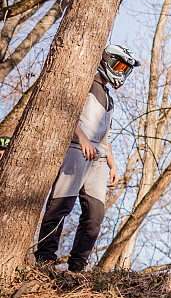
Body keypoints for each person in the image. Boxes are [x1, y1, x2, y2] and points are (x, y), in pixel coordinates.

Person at [34, 45, 140, 272]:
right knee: (61, 204)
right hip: (77, 149)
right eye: (118, 65)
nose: (120, 72)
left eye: (125, 69)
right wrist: (81, 138)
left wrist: (112, 164)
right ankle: (45, 260)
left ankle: (77, 268)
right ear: (105, 60)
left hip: (99, 159)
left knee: (95, 215)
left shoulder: (109, 99)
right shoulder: (85, 84)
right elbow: (65, 113)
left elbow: (106, 136)